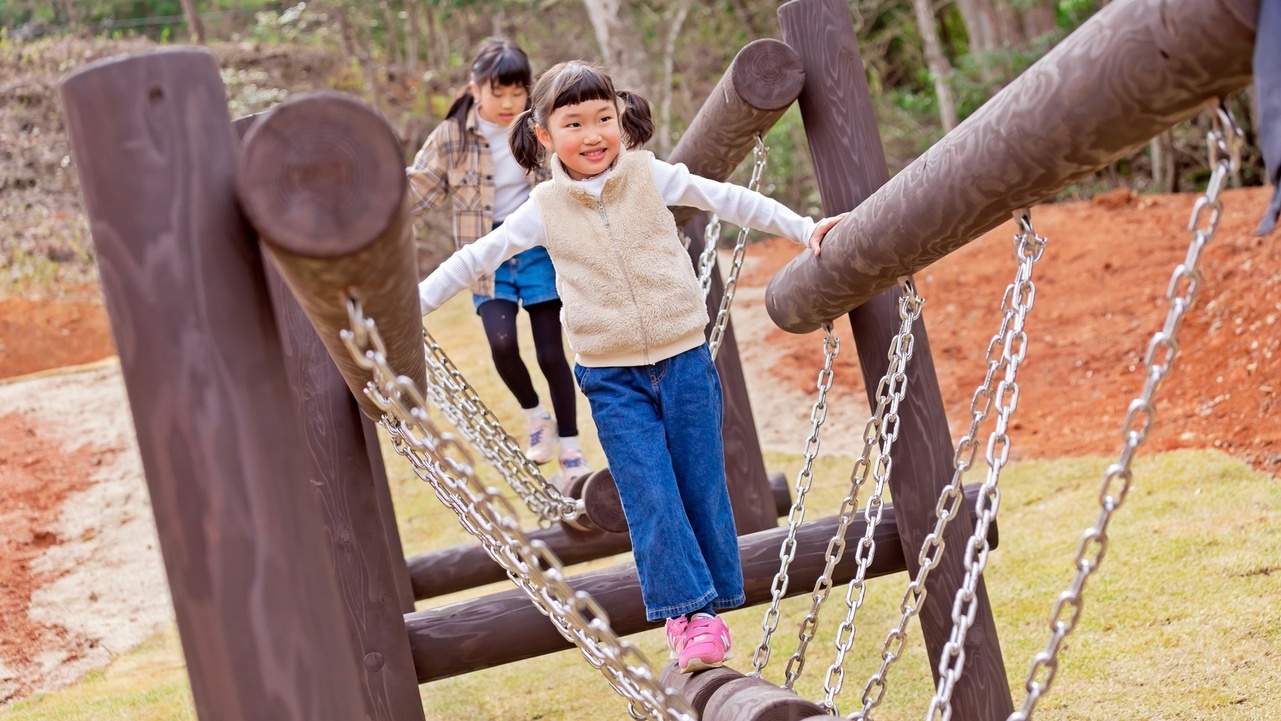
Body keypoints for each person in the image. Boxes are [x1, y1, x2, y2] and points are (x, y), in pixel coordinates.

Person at [416, 60, 846, 674]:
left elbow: (728, 199)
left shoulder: (652, 176)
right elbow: (472, 260)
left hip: (685, 360)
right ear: (543, 135)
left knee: (700, 483)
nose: (593, 134)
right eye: (574, 123)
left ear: (621, 119)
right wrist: (411, 307)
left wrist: (806, 228)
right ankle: (689, 618)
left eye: (603, 119)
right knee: (649, 492)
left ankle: (709, 608)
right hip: (611, 377)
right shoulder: (543, 207)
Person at [407, 38, 591, 485]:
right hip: (485, 257)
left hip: (538, 251)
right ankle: (536, 416)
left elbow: (578, 167)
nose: (509, 103)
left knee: (552, 352)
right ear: (475, 90)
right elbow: (417, 189)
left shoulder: (539, 127)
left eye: (517, 92)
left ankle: (571, 448)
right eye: (499, 93)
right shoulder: (453, 135)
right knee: (502, 344)